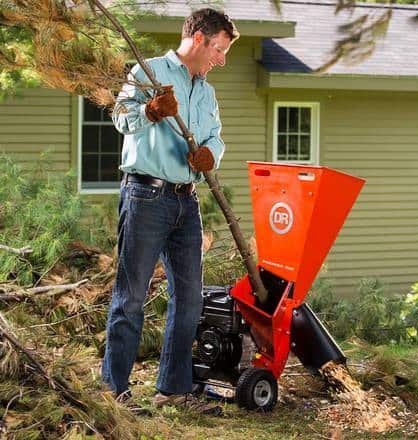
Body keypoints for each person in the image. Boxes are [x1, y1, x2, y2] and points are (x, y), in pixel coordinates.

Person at [102, 8, 239, 415]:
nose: (222, 59)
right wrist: (150, 111)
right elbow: (120, 119)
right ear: (198, 38)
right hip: (146, 196)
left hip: (186, 201)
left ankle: (173, 389)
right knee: (130, 298)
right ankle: (114, 394)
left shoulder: (207, 92)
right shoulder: (149, 72)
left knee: (190, 299)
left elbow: (216, 138)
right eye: (219, 49)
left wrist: (208, 155)